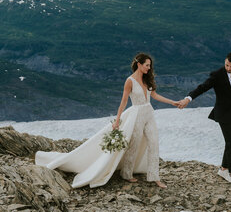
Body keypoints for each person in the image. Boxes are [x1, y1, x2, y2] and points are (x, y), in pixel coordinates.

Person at [35, 53, 178, 188]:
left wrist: (173, 102)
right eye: (147, 65)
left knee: (153, 143)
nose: (149, 68)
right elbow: (123, 102)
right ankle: (126, 173)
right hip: (137, 114)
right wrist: (117, 121)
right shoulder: (130, 81)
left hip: (149, 113)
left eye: (149, 65)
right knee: (133, 145)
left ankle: (155, 177)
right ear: (139, 65)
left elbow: (154, 95)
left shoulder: (147, 79)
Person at [178, 52, 231, 184]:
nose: (228, 68)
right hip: (223, 113)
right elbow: (203, 87)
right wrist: (188, 99)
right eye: (226, 65)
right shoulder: (217, 75)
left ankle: (223, 169)